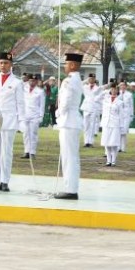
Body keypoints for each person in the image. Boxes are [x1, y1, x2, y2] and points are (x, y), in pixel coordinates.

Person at [0, 52, 25, 191]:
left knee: (6, 151)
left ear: (11, 65)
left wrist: (21, 122)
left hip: (9, 120)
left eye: (6, 63)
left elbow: (20, 103)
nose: (3, 66)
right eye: (1, 63)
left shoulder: (17, 82)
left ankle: (5, 180)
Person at [54, 52, 84, 200]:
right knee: (71, 156)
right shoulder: (76, 79)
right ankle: (70, 187)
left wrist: (58, 113)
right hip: (72, 121)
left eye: (66, 64)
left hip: (68, 120)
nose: (65, 66)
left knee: (69, 157)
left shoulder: (69, 81)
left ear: (72, 65)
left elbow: (65, 101)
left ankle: (71, 189)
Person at [21, 74, 45, 159]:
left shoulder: (40, 91)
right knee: (25, 134)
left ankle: (32, 152)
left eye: (34, 81)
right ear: (28, 81)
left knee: (33, 134)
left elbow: (42, 105)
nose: (32, 82)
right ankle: (26, 151)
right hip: (25, 114)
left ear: (37, 81)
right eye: (31, 80)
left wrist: (41, 116)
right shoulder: (24, 89)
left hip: (35, 115)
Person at [100, 85, 123, 166]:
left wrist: (121, 126)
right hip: (106, 123)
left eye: (115, 89)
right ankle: (108, 160)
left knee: (114, 143)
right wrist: (106, 89)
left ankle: (113, 160)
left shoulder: (120, 102)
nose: (113, 90)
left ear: (117, 91)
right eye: (112, 89)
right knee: (107, 142)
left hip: (115, 124)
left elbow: (121, 115)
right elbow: (97, 97)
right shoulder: (105, 100)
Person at [80, 74, 103, 147]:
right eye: (90, 78)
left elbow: (100, 98)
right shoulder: (85, 87)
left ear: (95, 79)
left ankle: (91, 142)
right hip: (86, 107)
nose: (91, 79)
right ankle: (86, 141)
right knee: (86, 125)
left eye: (93, 78)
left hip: (94, 108)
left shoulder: (98, 88)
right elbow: (79, 84)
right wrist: (86, 80)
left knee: (92, 125)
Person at [118, 82, 134, 152]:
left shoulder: (129, 94)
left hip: (127, 114)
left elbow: (131, 105)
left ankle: (123, 147)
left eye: (124, 85)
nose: (123, 86)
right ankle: (118, 147)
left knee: (124, 131)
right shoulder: (117, 93)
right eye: (121, 85)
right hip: (119, 114)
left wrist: (131, 115)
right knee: (118, 131)